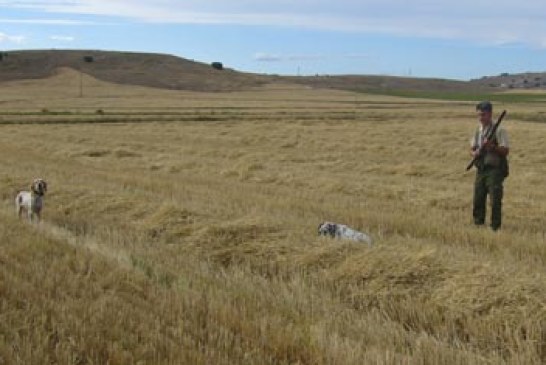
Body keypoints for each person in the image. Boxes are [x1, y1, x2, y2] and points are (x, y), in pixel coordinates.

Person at [470, 101, 510, 231]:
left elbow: (505, 151)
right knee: (478, 198)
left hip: (495, 170)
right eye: (479, 115)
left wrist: (491, 147)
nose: (481, 118)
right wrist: (474, 152)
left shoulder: (499, 130)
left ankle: (495, 227)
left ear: (490, 114)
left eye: (483, 115)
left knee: (495, 199)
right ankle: (478, 223)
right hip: (481, 169)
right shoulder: (478, 130)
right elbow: (472, 147)